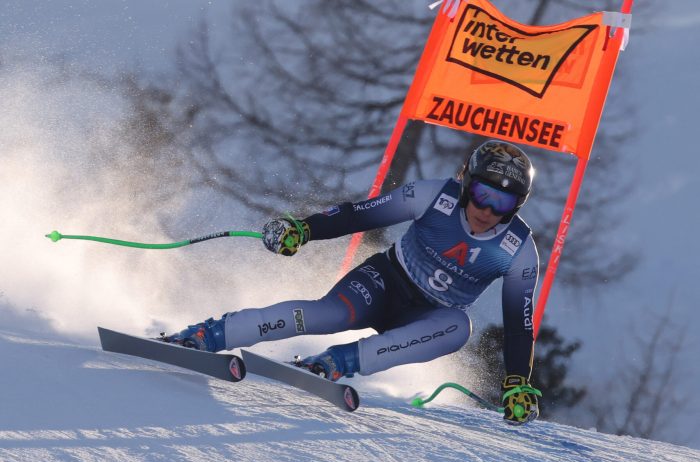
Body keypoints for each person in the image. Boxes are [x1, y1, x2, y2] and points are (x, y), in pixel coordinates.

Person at [166, 139, 542, 424]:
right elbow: (359, 216)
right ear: (467, 185)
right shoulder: (432, 197)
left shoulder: (518, 250)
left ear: (518, 206)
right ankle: (209, 335)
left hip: (428, 317)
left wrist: (516, 382)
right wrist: (304, 229)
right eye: (482, 195)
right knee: (328, 316)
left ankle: (333, 363)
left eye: (504, 204)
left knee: (459, 327)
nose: (488, 211)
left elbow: (519, 324)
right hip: (384, 281)